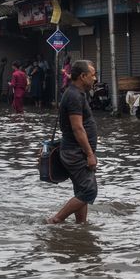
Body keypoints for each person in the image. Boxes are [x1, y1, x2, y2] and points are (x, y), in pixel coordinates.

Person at [47, 59, 99, 225]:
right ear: (83, 76)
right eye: (93, 75)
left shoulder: (77, 93)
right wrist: (89, 154)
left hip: (75, 151)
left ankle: (81, 226)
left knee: (81, 190)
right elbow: (77, 128)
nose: (95, 78)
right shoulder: (74, 96)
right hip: (76, 152)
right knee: (89, 191)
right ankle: (55, 220)